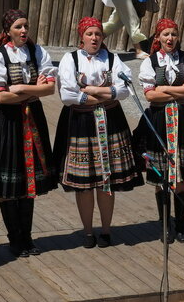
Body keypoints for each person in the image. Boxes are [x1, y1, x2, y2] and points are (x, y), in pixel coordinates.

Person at [55, 17, 143, 248]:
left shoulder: (112, 59)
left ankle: (105, 230)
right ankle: (87, 231)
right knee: (84, 182)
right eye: (90, 34)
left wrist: (90, 89)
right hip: (81, 122)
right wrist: (101, 94)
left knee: (107, 178)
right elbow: (67, 94)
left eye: (98, 34)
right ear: (81, 37)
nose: (94, 38)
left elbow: (124, 90)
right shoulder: (70, 59)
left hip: (110, 121)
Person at [0, 9, 59, 257]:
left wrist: (21, 89)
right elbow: (2, 97)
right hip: (8, 122)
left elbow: (49, 90)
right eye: (18, 27)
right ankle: (14, 238)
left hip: (32, 120)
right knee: (9, 181)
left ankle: (26, 237)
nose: (24, 31)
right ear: (7, 31)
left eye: (26, 26)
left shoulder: (37, 52)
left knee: (29, 179)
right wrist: (34, 90)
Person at [133, 19, 184, 243]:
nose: (170, 39)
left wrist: (165, 88)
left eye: (173, 34)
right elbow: (150, 96)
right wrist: (177, 92)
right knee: (162, 174)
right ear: (158, 38)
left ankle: (181, 226)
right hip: (159, 121)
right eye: (166, 35)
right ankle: (165, 226)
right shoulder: (149, 62)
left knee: (181, 173)